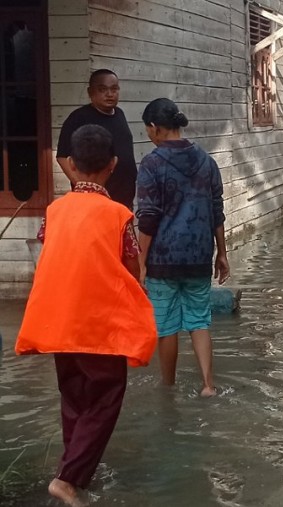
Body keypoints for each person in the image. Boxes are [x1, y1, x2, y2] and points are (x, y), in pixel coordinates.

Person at [15, 125, 156, 507]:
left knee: (74, 397)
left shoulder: (55, 210)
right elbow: (130, 269)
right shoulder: (118, 214)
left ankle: (73, 473)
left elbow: (54, 257)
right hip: (101, 323)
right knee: (106, 396)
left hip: (60, 319)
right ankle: (67, 479)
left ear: (72, 165)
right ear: (113, 165)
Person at [136, 98, 229, 397]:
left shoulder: (151, 163)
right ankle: (208, 384)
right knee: (199, 321)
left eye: (148, 130)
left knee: (166, 326)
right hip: (200, 256)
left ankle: (168, 387)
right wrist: (223, 253)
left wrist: (141, 260)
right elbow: (216, 210)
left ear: (154, 128)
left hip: (163, 259)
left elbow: (148, 218)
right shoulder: (206, 161)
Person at [56, 69, 137, 208]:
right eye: (102, 89)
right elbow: (62, 156)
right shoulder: (79, 118)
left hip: (124, 200)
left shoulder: (119, 114)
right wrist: (83, 186)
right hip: (93, 202)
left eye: (114, 89)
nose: (109, 94)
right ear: (90, 92)